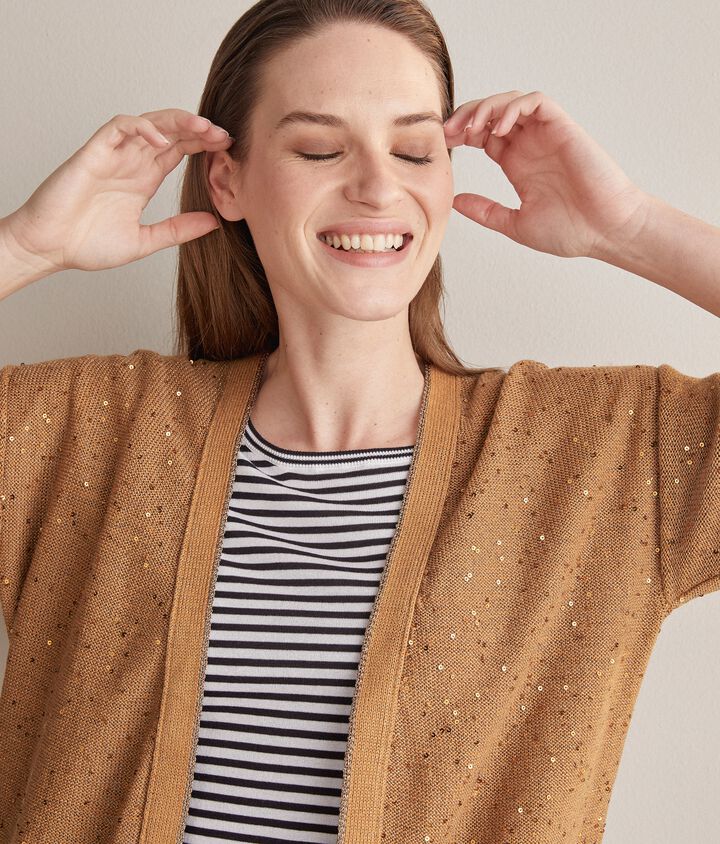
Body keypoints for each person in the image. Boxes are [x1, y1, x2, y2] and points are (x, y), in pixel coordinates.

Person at [0, 1, 718, 843]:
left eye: (415, 151)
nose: (379, 187)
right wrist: (26, 247)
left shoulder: (604, 457)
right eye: (319, 149)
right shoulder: (86, 434)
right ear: (227, 181)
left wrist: (631, 229)